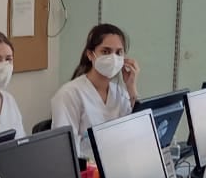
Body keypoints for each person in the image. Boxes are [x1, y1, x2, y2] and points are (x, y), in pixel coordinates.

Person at [50, 23, 140, 157]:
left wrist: (131, 87)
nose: (113, 58)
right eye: (105, 51)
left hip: (118, 166)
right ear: (90, 55)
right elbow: (64, 150)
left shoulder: (120, 93)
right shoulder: (69, 94)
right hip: (87, 172)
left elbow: (136, 135)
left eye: (118, 52)